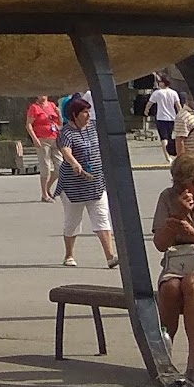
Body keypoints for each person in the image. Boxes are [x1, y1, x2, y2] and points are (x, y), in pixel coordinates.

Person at [153, 139, 194, 382]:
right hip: (177, 265)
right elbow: (160, 244)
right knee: (170, 288)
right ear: (182, 182)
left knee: (191, 284)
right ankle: (164, 357)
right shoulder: (167, 198)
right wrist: (178, 216)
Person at [54, 94, 119, 269]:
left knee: (102, 218)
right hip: (73, 187)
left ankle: (110, 256)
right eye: (84, 112)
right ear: (74, 115)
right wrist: (74, 163)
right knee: (72, 222)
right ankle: (69, 255)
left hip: (96, 183)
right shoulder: (66, 133)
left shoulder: (94, 127)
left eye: (89, 111)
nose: (88, 115)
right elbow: (65, 150)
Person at [25, 95, 62, 200]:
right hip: (42, 139)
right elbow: (29, 125)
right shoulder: (34, 107)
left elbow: (59, 124)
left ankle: (48, 187)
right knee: (46, 167)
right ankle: (44, 194)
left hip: (55, 138)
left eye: (44, 93)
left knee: (60, 167)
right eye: (40, 93)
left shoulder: (52, 105)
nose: (43, 95)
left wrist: (59, 114)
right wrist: (34, 138)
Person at [150, 79, 183, 156]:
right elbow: (178, 105)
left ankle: (167, 155)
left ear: (163, 83)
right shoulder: (174, 92)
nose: (159, 83)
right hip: (172, 117)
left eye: (160, 82)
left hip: (161, 117)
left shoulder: (157, 93)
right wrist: (181, 114)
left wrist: (146, 110)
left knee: (163, 137)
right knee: (169, 136)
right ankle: (170, 151)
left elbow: (150, 103)